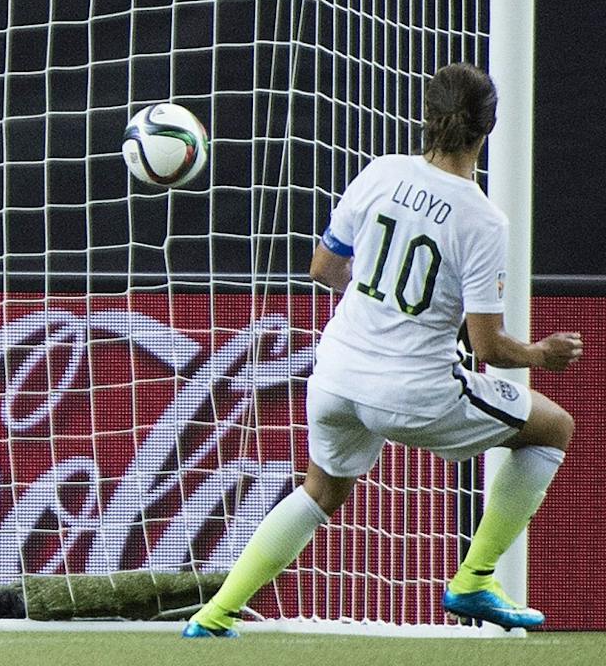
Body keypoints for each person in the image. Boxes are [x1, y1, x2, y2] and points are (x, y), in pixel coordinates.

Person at [184, 63, 582, 636]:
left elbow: (323, 268)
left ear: (426, 116)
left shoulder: (379, 174)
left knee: (319, 490)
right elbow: (487, 345)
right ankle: (473, 579)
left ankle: (214, 614)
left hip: (336, 377)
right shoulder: (482, 219)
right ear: (486, 129)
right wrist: (543, 355)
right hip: (414, 392)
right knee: (553, 428)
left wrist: (380, 304)